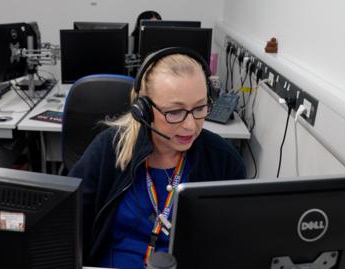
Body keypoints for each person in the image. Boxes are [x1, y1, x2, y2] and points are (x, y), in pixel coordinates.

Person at [69, 47, 246, 268]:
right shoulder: (108, 149)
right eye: (174, 112)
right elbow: (66, 224)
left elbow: (234, 245)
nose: (191, 125)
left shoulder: (223, 161)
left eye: (200, 108)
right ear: (143, 110)